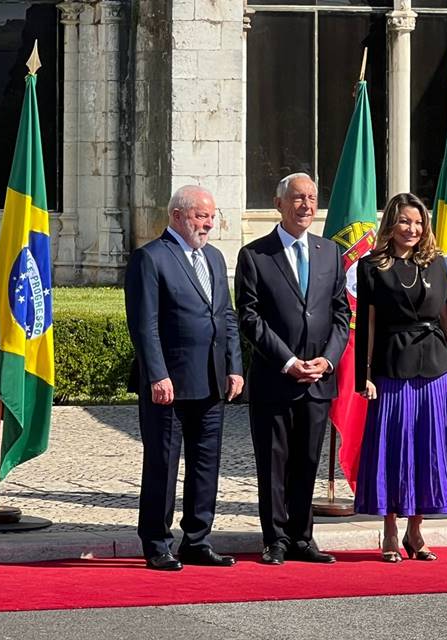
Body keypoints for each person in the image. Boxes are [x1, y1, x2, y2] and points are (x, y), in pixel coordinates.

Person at [124, 185, 245, 571]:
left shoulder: (212, 257)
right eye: (200, 216)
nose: (208, 223)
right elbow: (145, 325)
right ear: (177, 216)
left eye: (211, 216)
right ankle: (157, 542)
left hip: (211, 381)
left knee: (206, 463)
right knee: (163, 463)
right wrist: (157, 374)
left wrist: (234, 366)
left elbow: (225, 316)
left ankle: (197, 539)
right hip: (169, 386)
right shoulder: (151, 258)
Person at [236, 172, 351, 565]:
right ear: (279, 203)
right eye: (298, 198)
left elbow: (341, 315)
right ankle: (276, 539)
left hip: (319, 380)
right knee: (273, 463)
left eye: (312, 198)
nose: (306, 205)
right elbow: (249, 318)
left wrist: (328, 360)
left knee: (308, 462)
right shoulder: (255, 255)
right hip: (274, 379)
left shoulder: (329, 253)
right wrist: (288, 361)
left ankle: (303, 538)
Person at [353, 192, 447, 563]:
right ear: (391, 223)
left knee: (427, 450)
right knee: (393, 448)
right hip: (391, 367)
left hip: (434, 368)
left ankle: (415, 531)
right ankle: (389, 530)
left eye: (418, 223)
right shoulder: (372, 266)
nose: (412, 229)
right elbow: (367, 324)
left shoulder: (436, 263)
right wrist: (364, 375)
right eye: (405, 221)